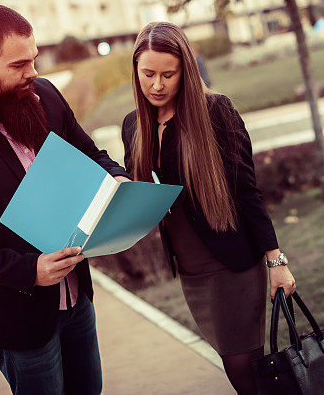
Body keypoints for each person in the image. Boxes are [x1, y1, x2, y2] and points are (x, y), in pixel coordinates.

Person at [0, 4, 130, 395]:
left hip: (76, 298)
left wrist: (117, 181)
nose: (32, 72)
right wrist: (28, 271)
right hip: (15, 318)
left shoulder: (44, 95)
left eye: (33, 59)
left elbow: (89, 153)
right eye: (18, 65)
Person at [120, 22, 295, 395]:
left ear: (186, 68)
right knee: (238, 365)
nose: (157, 85)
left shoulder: (215, 111)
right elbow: (138, 191)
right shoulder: (134, 125)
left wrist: (276, 261)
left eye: (168, 74)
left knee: (242, 368)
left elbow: (248, 191)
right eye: (148, 74)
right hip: (191, 270)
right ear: (136, 72)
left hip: (232, 262)